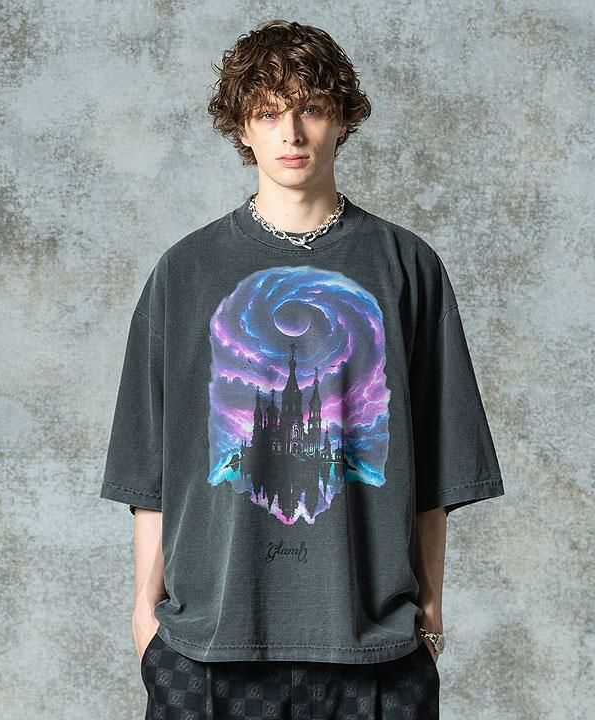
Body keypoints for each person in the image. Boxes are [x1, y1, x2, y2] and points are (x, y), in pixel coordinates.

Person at [100, 19, 505, 720]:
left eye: (311, 108)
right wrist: (145, 615)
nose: (291, 133)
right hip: (208, 651)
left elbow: (438, 469)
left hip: (374, 653)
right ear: (243, 127)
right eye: (268, 112)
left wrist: (430, 613)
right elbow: (151, 470)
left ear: (342, 120)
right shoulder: (185, 272)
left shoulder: (408, 267)